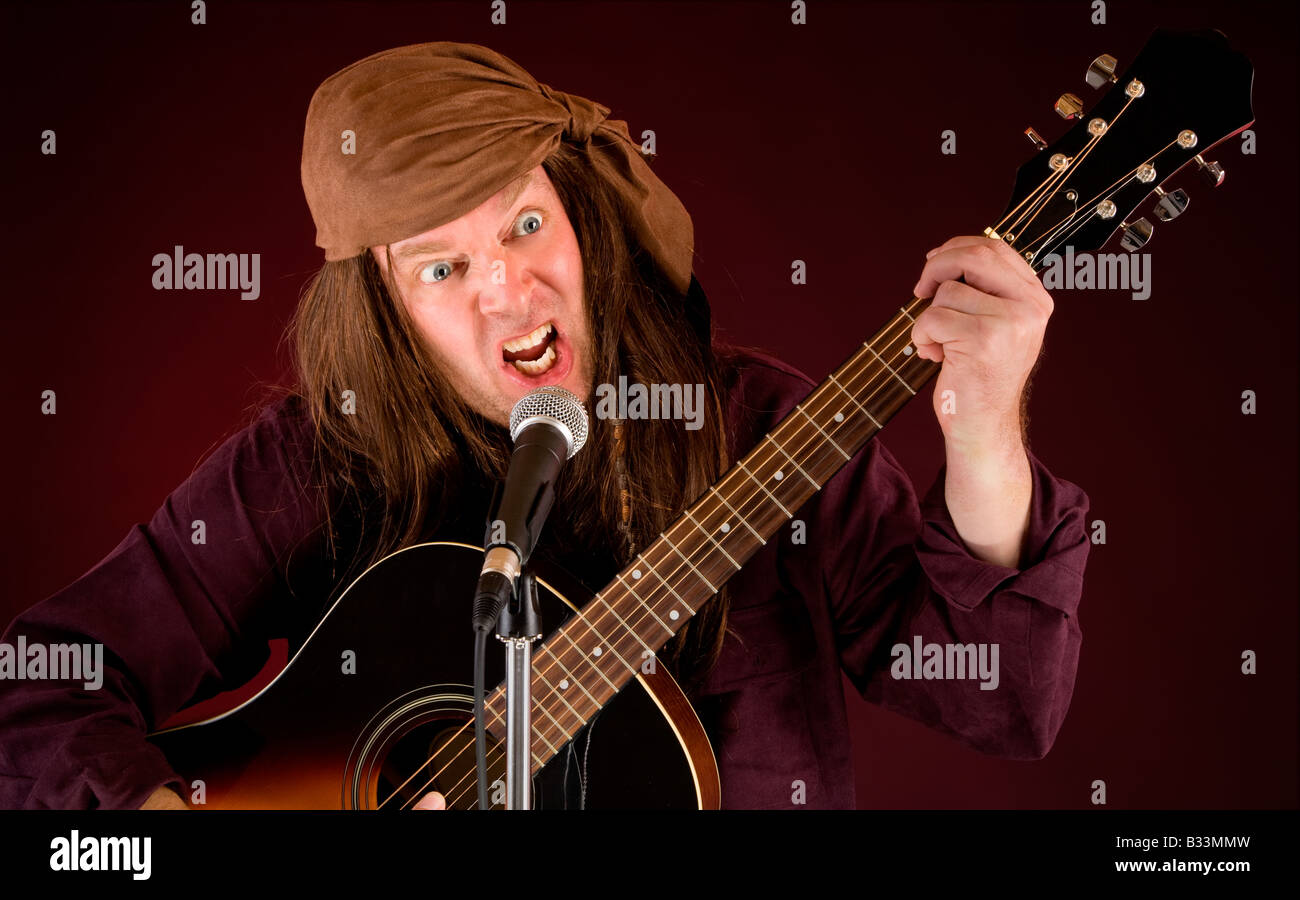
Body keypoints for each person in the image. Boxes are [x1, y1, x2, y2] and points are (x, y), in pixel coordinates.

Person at [0, 42, 1090, 810]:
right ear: (383, 302)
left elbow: (999, 704)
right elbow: (38, 683)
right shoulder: (315, 462)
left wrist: (983, 423)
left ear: (583, 215)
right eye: (444, 265)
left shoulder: (757, 426)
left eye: (525, 222)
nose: (510, 291)